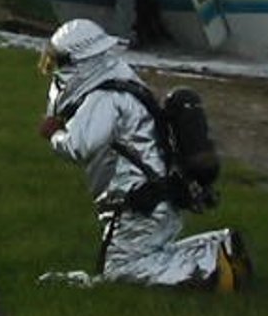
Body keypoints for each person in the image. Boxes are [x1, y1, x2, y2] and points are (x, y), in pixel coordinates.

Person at [36, 18, 250, 290]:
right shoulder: (121, 80)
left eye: (60, 62)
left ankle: (214, 264)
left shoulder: (104, 97)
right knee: (142, 258)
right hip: (153, 198)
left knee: (122, 272)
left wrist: (53, 134)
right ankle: (221, 245)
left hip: (140, 203)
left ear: (82, 61)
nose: (54, 69)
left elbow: (79, 146)